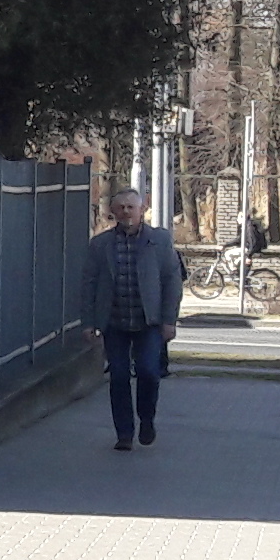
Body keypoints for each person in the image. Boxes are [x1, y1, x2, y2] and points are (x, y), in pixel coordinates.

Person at [80, 188, 184, 450]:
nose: (126, 212)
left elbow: (172, 281)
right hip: (114, 322)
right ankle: (124, 433)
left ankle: (146, 418)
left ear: (142, 210)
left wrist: (169, 320)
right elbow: (88, 284)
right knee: (118, 375)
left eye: (131, 207)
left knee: (149, 372)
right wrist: (89, 322)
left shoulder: (159, 242)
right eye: (121, 207)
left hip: (148, 322)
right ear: (112, 212)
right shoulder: (101, 244)